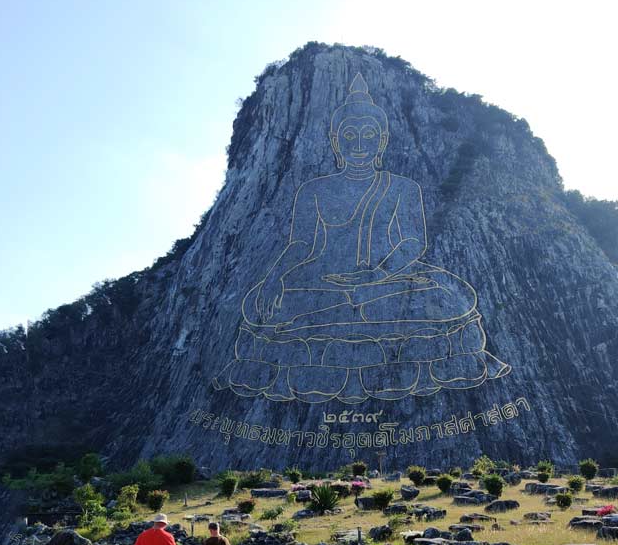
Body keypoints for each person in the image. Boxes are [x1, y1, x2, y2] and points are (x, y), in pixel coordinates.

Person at [213, 73, 510, 403]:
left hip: (388, 281)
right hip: (326, 283)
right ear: (336, 141)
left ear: (381, 139)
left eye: (368, 135)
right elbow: (301, 245)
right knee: (266, 303)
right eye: (349, 135)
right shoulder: (315, 190)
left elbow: (413, 243)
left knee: (451, 297)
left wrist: (376, 275)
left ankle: (342, 339)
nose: (358, 144)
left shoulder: (402, 188)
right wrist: (273, 279)